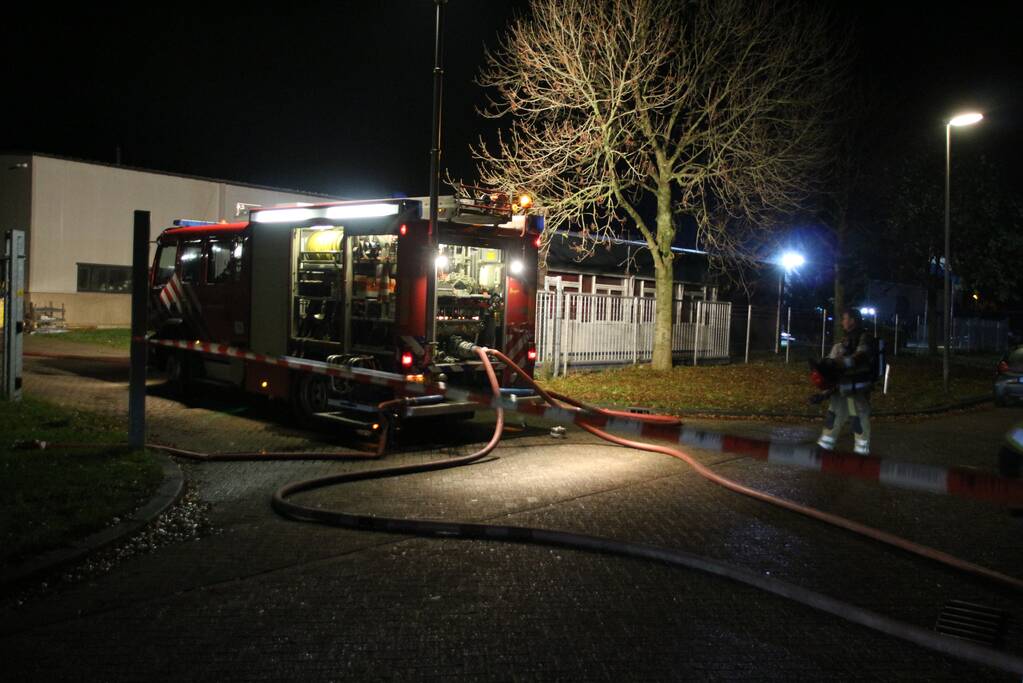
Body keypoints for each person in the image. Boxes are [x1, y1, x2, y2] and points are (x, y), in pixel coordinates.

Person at [816, 308, 875, 455]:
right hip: (844, 385)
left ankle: (861, 452)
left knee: (859, 418)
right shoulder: (846, 339)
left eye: (845, 318)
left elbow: (860, 357)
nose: (842, 321)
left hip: (857, 386)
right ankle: (825, 445)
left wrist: (840, 363)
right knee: (834, 414)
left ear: (852, 320)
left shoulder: (864, 337)